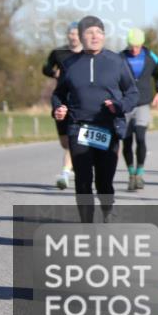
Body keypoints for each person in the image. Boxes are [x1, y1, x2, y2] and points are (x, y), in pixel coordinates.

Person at [51, 16, 138, 223]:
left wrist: (119, 106)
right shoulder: (70, 63)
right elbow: (58, 94)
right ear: (81, 36)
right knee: (82, 181)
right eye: (89, 32)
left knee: (104, 181)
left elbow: (132, 93)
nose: (95, 36)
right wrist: (58, 107)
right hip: (78, 127)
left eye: (99, 32)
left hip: (108, 127)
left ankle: (107, 209)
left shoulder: (117, 61)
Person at [119, 28, 158, 191]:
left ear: (142, 44)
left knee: (140, 137)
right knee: (126, 141)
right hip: (125, 105)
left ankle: (140, 172)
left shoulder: (149, 56)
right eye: (131, 46)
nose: (134, 49)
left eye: (137, 46)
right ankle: (131, 173)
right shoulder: (120, 58)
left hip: (142, 103)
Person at [42, 21, 83, 189]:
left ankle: (65, 172)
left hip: (78, 101)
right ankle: (71, 164)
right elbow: (45, 68)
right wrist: (53, 72)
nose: (72, 36)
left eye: (75, 33)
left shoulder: (87, 55)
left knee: (73, 140)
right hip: (60, 98)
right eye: (70, 33)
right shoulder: (59, 53)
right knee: (65, 142)